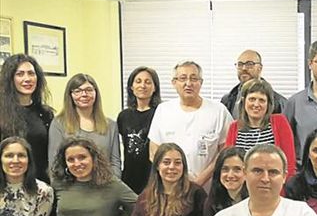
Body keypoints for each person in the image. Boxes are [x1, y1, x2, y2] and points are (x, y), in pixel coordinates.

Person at [94, 143, 208, 216]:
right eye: (166, 162)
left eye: (178, 163)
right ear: (157, 166)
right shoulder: (145, 197)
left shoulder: (196, 193)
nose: (172, 167)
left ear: (183, 167)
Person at [148, 61, 232, 188]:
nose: (188, 83)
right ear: (174, 83)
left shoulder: (219, 111)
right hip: (170, 188)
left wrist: (199, 182)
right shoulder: (163, 110)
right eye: (183, 78)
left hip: (208, 188)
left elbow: (226, 151)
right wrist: (174, 178)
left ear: (201, 82)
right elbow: (154, 151)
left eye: (194, 78)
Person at [48, 73, 121, 177]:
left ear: (96, 93)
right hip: (71, 187)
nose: (84, 94)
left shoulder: (110, 125)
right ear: (70, 95)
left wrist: (112, 189)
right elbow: (54, 164)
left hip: (105, 188)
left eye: (89, 90)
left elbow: (115, 163)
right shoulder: (59, 124)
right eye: (77, 91)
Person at [225, 78, 296, 178]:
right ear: (244, 101)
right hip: (242, 189)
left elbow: (289, 165)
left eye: (262, 100)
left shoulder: (280, 122)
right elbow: (228, 164)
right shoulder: (234, 127)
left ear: (268, 104)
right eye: (252, 99)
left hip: (273, 188)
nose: (256, 104)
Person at [0, 54, 55, 182]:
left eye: (31, 73)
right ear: (10, 79)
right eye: (20, 74)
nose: (27, 79)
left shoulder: (46, 114)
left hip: (40, 186)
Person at [0, 137, 53, 216]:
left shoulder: (43, 191)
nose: (15, 160)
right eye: (9, 155)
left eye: (21, 155)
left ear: (29, 160)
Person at [117, 66, 162, 194]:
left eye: (148, 82)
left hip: (152, 178)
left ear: (154, 88)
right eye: (138, 81)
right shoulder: (123, 116)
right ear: (131, 87)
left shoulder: (160, 114)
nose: (143, 85)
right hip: (129, 177)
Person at [220, 50, 287, 119]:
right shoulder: (227, 100)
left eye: (249, 64)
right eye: (240, 64)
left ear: (260, 68)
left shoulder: (279, 102)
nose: (244, 68)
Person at [203, 147, 248, 216]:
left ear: (247, 173)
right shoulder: (212, 202)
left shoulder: (256, 202)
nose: (230, 175)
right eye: (225, 169)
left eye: (237, 169)